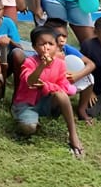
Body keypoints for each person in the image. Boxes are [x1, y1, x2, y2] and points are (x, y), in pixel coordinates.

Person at [13, 26, 84, 157]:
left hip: (48, 101)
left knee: (61, 96)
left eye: (50, 44)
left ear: (57, 47)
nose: (47, 47)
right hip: (28, 104)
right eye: (42, 44)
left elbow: (64, 87)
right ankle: (26, 119)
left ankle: (73, 134)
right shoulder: (30, 62)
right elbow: (30, 81)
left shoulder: (60, 64)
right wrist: (42, 66)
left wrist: (46, 86)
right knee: (28, 129)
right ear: (34, 47)